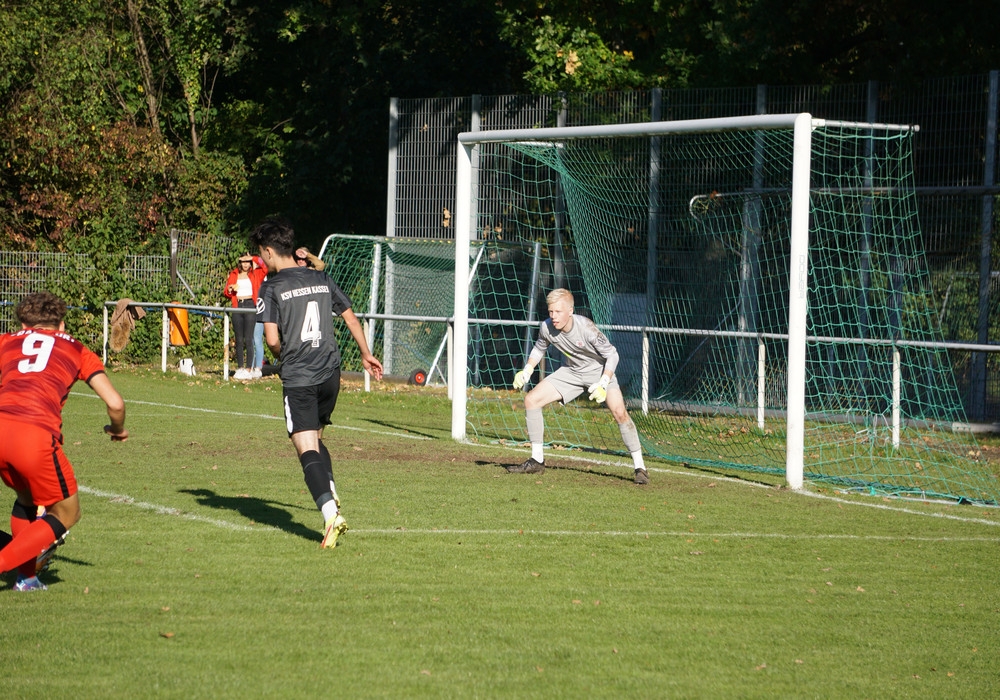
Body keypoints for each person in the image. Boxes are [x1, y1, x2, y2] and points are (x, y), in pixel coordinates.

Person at [250, 218, 384, 548]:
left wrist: (283, 353)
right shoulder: (320, 277)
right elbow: (350, 316)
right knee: (318, 436)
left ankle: (330, 515)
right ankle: (330, 487)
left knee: (305, 446)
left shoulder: (271, 286)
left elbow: (271, 339)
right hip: (330, 374)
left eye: (261, 254)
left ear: (269, 252)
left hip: (299, 378)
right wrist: (366, 354)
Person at [0, 291, 128, 591]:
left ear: (21, 324)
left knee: (27, 500)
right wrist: (118, 429)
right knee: (68, 512)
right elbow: (115, 403)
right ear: (61, 325)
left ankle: (27, 577)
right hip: (33, 434)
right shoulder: (77, 349)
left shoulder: (6, 341)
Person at [508, 288, 649, 484]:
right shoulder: (546, 327)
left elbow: (612, 355)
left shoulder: (586, 328)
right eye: (550, 311)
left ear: (570, 311)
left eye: (558, 312)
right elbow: (540, 347)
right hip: (571, 372)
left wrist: (604, 382)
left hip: (599, 373)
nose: (553, 316)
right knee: (531, 400)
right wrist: (527, 370)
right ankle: (537, 461)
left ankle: (640, 468)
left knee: (620, 413)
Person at [256, 247, 324, 378]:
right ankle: (288, 364)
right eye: (298, 258)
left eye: (303, 259)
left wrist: (308, 255)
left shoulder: (311, 272)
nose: (300, 261)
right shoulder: (287, 273)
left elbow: (321, 265)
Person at [223, 253, 267, 380]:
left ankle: (249, 368)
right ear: (240, 263)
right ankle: (241, 367)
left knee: (249, 339)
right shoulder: (234, 274)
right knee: (239, 339)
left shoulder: (255, 273)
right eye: (243, 262)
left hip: (249, 305)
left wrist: (252, 258)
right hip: (237, 305)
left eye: (248, 262)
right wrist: (229, 290)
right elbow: (226, 292)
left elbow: (265, 266)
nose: (246, 264)